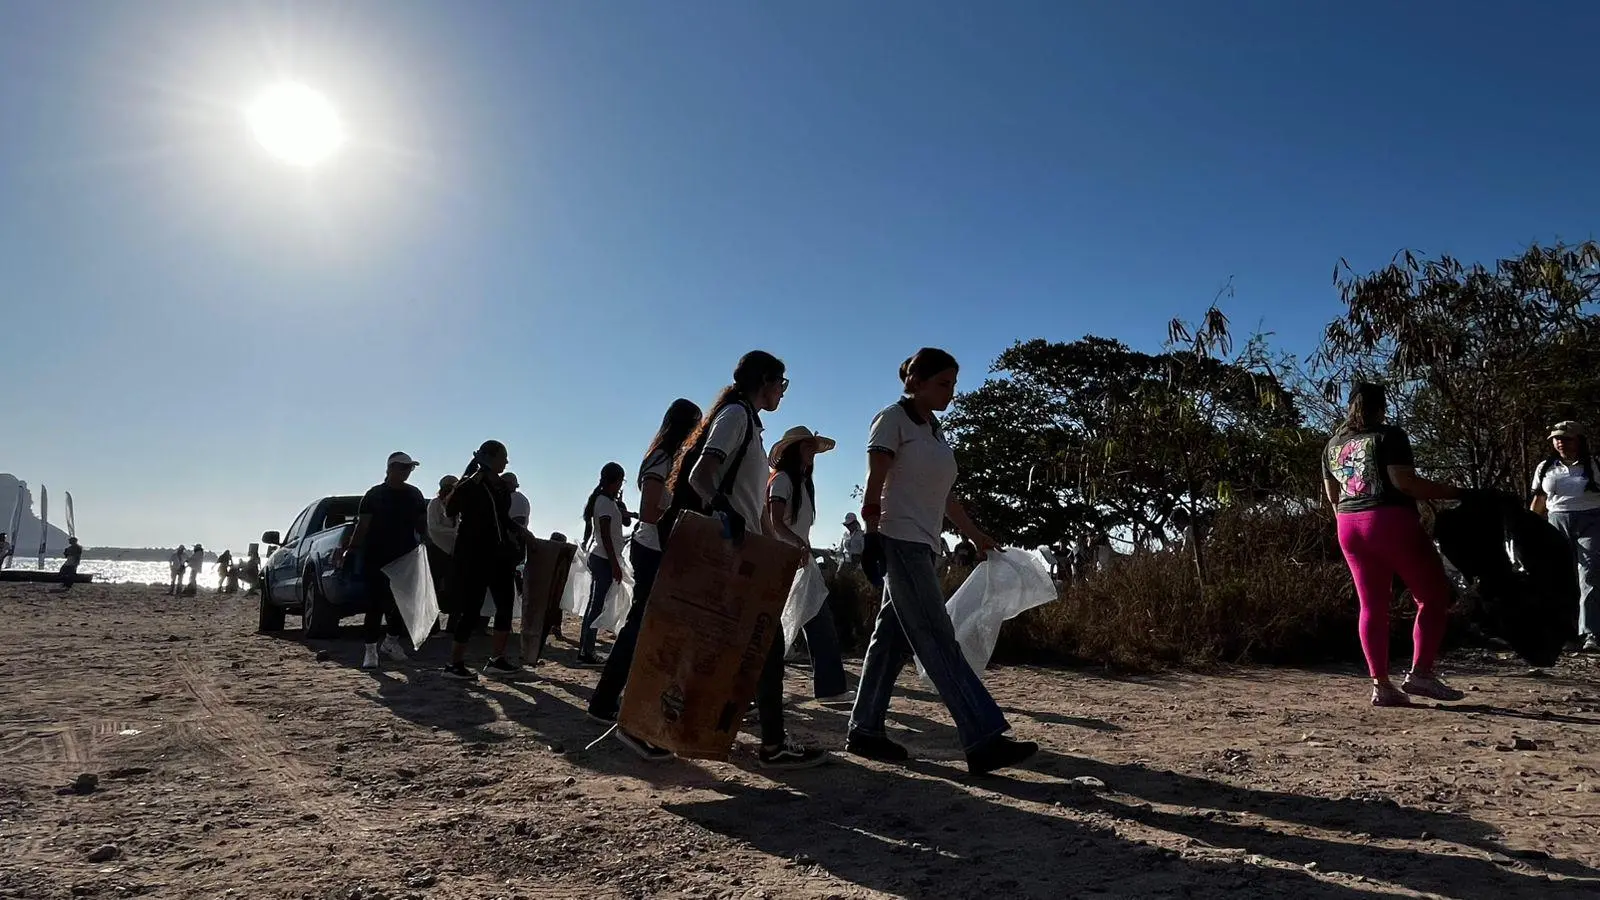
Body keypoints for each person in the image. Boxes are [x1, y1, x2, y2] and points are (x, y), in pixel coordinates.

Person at [849, 348, 1037, 775]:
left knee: (891, 641)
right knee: (937, 637)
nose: (950, 392)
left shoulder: (934, 430)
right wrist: (874, 533)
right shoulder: (892, 419)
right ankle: (982, 737)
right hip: (899, 541)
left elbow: (945, 498)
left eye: (953, 384)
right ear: (915, 380)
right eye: (942, 384)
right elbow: (874, 482)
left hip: (922, 543)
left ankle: (864, 730)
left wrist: (976, 535)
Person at [675, 351, 826, 769]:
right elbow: (701, 475)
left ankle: (762, 740)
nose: (783, 390)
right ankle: (768, 744)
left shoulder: (752, 426)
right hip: (729, 554)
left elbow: (757, 509)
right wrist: (723, 510)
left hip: (748, 557)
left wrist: (774, 547)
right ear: (766, 380)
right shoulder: (736, 416)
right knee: (761, 646)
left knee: (758, 648)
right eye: (782, 382)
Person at [1323, 382, 1466, 707]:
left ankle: (1382, 685)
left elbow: (1333, 496)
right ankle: (1421, 674)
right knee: (1432, 596)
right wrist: (1456, 492)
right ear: (1381, 406)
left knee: (1371, 605)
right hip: (1389, 521)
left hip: (1348, 525)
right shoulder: (1390, 436)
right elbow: (1406, 483)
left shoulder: (1332, 444)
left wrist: (1350, 520)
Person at [588, 398, 702, 746]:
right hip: (653, 548)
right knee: (640, 627)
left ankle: (611, 698)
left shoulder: (666, 459)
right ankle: (606, 699)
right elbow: (650, 510)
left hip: (656, 547)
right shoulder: (661, 459)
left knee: (646, 627)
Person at [766, 425, 852, 702]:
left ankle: (830, 687)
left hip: (798, 561)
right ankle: (826, 687)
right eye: (807, 448)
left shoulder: (801, 483)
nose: (812, 454)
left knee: (817, 620)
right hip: (783, 559)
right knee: (779, 625)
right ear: (793, 450)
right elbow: (773, 522)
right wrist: (799, 544)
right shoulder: (781, 480)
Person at [334, 452, 428, 671]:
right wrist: (352, 549)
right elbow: (363, 525)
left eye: (409, 469)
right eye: (403, 468)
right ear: (391, 469)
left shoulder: (414, 495)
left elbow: (421, 525)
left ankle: (391, 642)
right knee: (375, 604)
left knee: (401, 604)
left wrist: (426, 544)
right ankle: (370, 650)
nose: (407, 473)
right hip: (376, 555)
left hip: (405, 556)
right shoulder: (374, 495)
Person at [445, 440, 529, 680]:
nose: (506, 462)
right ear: (490, 459)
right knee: (471, 610)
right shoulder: (471, 484)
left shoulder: (501, 487)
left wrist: (521, 532)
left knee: (505, 604)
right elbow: (450, 510)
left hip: (499, 554)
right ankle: (454, 663)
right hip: (474, 554)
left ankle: (497, 659)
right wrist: (466, 478)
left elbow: (502, 518)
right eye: (503, 457)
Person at [1530, 420, 1600, 653]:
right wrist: (1530, 526)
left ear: (1579, 440)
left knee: (1589, 575)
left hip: (1592, 521)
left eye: (1566, 438)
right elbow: (1539, 500)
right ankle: (1564, 633)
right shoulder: (1545, 467)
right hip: (1557, 520)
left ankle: (1590, 633)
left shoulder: (1595, 465)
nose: (1560, 442)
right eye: (1556, 438)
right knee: (1560, 577)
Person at [578, 463, 630, 665]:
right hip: (604, 558)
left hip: (602, 557)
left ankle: (585, 649)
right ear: (616, 481)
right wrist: (615, 564)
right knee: (596, 605)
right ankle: (587, 650)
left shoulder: (606, 502)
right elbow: (606, 536)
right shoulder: (604, 503)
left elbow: (619, 526)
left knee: (595, 604)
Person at [426, 475, 460, 625]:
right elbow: (433, 527)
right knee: (433, 589)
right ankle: (433, 627)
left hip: (451, 551)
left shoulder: (455, 507)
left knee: (454, 587)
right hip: (436, 549)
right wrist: (455, 532)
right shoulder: (435, 504)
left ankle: (453, 625)